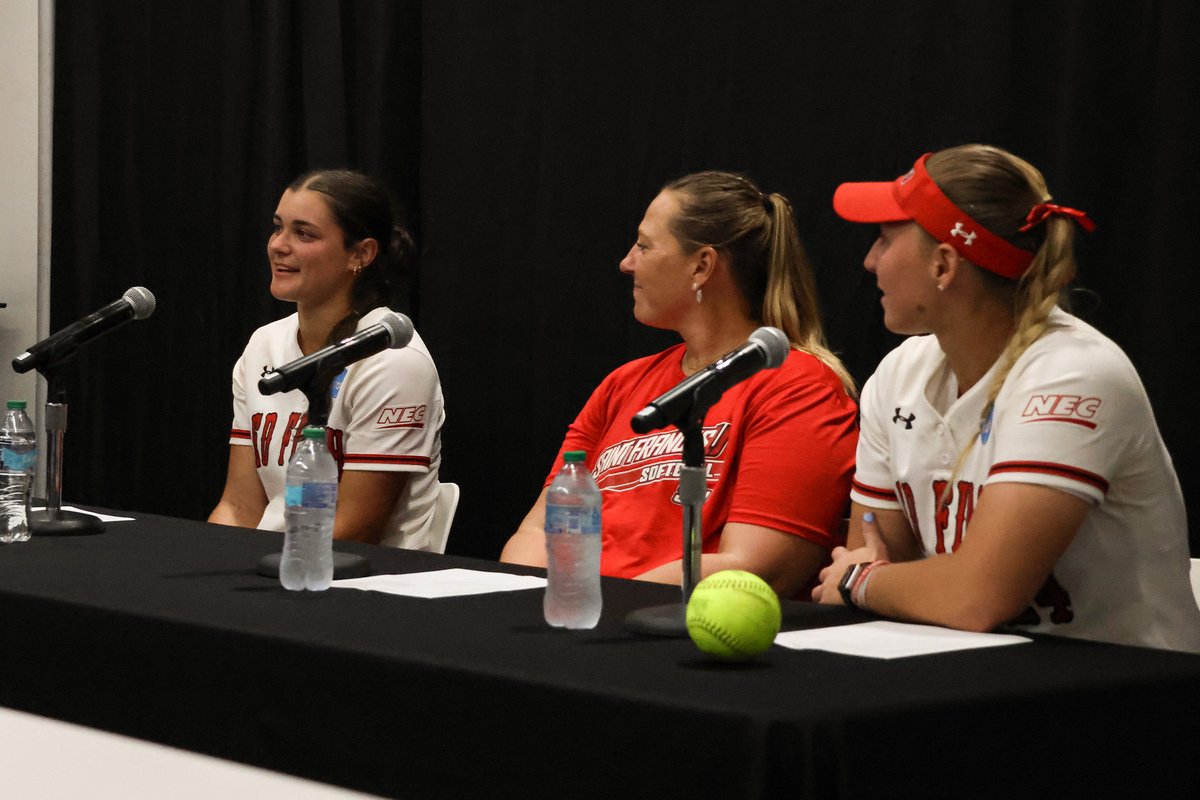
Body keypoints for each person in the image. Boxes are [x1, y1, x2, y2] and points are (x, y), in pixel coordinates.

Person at [815, 144, 1200, 652]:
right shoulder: (900, 373)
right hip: (977, 675)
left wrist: (861, 584)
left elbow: (975, 597)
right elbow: (873, 551)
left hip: (1128, 692)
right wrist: (877, 579)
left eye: (885, 239)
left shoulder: (1074, 373)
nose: (869, 261)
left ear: (943, 266)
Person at [501, 171, 858, 598]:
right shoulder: (624, 383)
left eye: (644, 245)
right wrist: (526, 602)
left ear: (702, 265)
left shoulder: (799, 387)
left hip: (666, 632)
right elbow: (540, 529)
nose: (626, 262)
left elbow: (755, 567)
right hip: (582, 617)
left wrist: (601, 606)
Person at [209, 169, 445, 549]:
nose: (278, 246)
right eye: (277, 228)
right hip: (269, 566)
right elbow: (238, 507)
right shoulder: (263, 345)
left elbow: (355, 530)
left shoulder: (393, 358)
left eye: (304, 233)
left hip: (360, 581)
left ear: (361, 254)